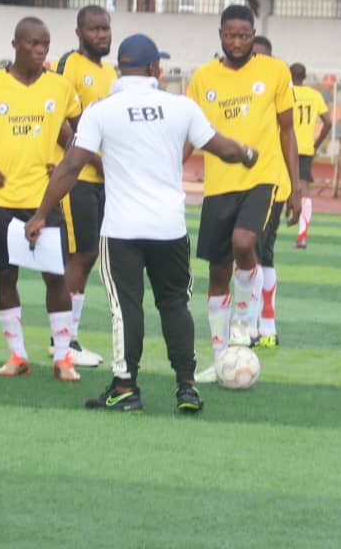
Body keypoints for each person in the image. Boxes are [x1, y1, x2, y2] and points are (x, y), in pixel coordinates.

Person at [25, 33, 259, 412]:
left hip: (122, 231)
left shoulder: (101, 110)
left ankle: (125, 387)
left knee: (126, 308)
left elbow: (71, 165)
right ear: (153, 69)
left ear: (122, 67)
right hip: (169, 229)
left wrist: (39, 213)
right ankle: (186, 387)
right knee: (175, 305)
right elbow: (223, 147)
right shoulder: (180, 106)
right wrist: (248, 154)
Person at [0, 16, 83, 382]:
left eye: (46, 45)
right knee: (5, 279)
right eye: (34, 44)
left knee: (56, 278)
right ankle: (17, 355)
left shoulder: (60, 86)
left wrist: (67, 162)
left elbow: (81, 129)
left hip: (44, 200)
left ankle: (64, 358)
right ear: (16, 44)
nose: (41, 51)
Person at [185, 5, 301, 383]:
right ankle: (221, 358)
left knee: (244, 241)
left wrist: (295, 188)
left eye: (245, 35)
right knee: (218, 272)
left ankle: (244, 327)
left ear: (253, 35)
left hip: (262, 177)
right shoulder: (203, 78)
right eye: (231, 35)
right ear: (220, 34)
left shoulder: (274, 71)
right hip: (219, 184)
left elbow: (287, 131)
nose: (237, 41)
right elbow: (190, 133)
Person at [50, 5, 118, 368]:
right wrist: (92, 158)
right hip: (77, 177)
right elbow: (60, 120)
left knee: (88, 254)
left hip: (103, 177)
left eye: (105, 29)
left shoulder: (111, 73)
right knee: (81, 254)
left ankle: (67, 336)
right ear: (79, 32)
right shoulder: (69, 64)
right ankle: (63, 339)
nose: (102, 35)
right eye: (94, 29)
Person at [247, 35, 287, 348]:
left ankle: (261, 327)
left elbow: (290, 135)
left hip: (272, 181)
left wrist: (296, 189)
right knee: (252, 253)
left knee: (257, 253)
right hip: (240, 181)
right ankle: (260, 327)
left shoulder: (276, 89)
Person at [289, 62, 331, 250]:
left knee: (275, 185)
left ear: (289, 76)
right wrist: (316, 143)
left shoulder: (285, 93)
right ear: (304, 77)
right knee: (305, 189)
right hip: (306, 147)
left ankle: (266, 232)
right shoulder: (315, 96)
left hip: (285, 146)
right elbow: (328, 122)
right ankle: (302, 236)